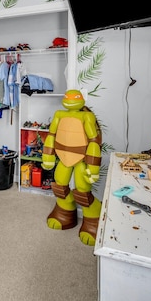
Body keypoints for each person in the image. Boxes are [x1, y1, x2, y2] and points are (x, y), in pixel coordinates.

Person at [41, 89, 102, 246]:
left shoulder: (87, 116)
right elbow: (51, 136)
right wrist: (48, 156)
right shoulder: (59, 114)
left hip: (81, 158)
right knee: (59, 183)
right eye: (67, 97)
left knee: (82, 188)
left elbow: (94, 141)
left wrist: (93, 166)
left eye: (74, 98)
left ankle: (93, 217)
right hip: (63, 157)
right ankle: (65, 210)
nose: (69, 100)